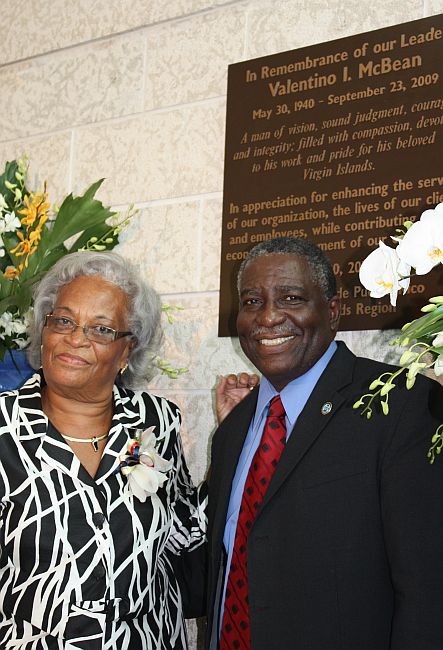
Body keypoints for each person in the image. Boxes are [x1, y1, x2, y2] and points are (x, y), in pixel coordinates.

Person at [207, 236, 443, 650]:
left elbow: (428, 590)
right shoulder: (233, 430)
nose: (268, 317)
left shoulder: (402, 406)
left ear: (332, 311)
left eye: (292, 298)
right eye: (251, 302)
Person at [0, 250, 207, 650]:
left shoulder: (156, 421)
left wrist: (235, 447)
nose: (75, 338)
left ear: (126, 352)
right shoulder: (5, 427)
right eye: (63, 320)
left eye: (101, 329)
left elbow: (183, 531)